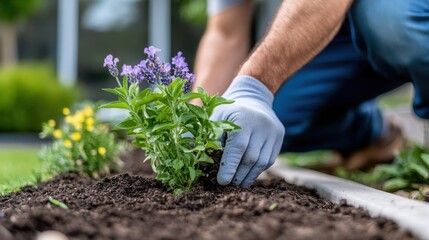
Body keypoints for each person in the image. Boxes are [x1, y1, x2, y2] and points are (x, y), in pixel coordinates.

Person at [193, 0, 427, 188]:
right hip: (331, 31)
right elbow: (226, 33)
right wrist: (195, 125)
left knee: (392, 18)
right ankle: (374, 134)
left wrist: (256, 84)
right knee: (271, 122)